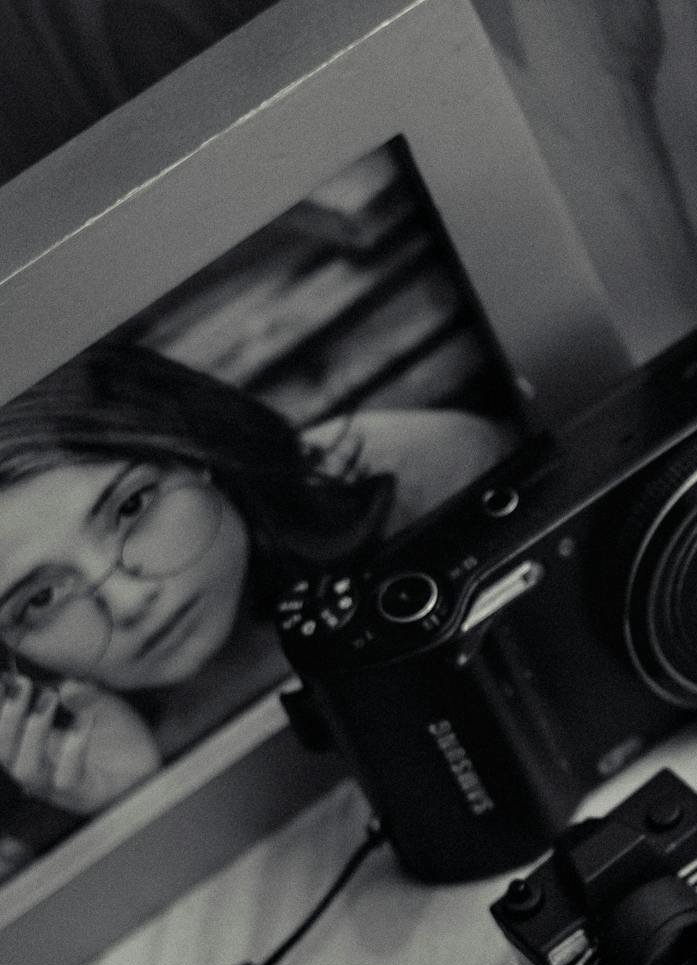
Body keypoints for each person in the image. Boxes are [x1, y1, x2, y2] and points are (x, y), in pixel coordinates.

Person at [0, 342, 511, 876]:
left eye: (133, 507)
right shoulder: (59, 780)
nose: (128, 603)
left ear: (201, 450)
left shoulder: (413, 476)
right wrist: (139, 811)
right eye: (41, 600)